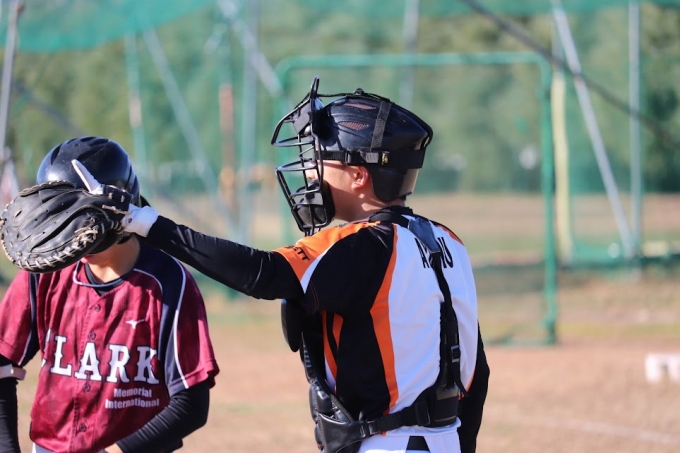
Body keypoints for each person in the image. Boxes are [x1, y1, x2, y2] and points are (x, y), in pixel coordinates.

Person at [108, 77, 490, 453]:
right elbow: (476, 372)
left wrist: (145, 223)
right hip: (445, 441)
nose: (310, 172)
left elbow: (263, 273)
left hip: (385, 444)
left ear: (359, 175)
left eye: (323, 159)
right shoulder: (447, 241)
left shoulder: (361, 244)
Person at [0, 137, 220, 453]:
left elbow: (191, 404)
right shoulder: (45, 273)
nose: (63, 233)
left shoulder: (168, 282)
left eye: (76, 218)